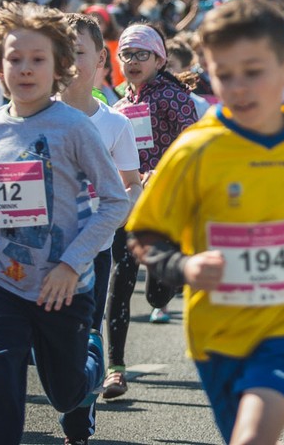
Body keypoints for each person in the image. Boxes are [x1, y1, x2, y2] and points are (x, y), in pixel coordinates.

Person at [124, 0, 284, 445]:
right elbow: (144, 231)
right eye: (224, 74)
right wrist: (184, 268)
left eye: (253, 72)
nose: (238, 87)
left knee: (251, 439)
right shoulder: (196, 149)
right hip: (216, 333)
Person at [0, 2, 129, 445]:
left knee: (66, 393)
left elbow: (114, 202)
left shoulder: (75, 128)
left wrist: (71, 265)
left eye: (38, 60)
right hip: (4, 284)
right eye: (15, 59)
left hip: (64, 287)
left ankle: (91, 356)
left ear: (59, 68)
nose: (25, 69)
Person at [57, 14, 143, 444]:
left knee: (77, 347)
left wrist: (109, 221)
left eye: (79, 52)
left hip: (93, 251)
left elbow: (132, 184)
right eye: (62, 51)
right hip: (37, 252)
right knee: (40, 350)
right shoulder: (27, 117)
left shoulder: (114, 123)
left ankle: (78, 419)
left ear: (99, 62)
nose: (69, 62)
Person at [104, 24, 197, 399]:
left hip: (169, 208)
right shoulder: (119, 107)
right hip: (129, 207)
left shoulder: (173, 97)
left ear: (160, 58)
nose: (133, 61)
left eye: (142, 54)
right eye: (127, 54)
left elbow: (194, 144)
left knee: (158, 295)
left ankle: (176, 279)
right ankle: (115, 369)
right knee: (120, 280)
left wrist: (163, 170)